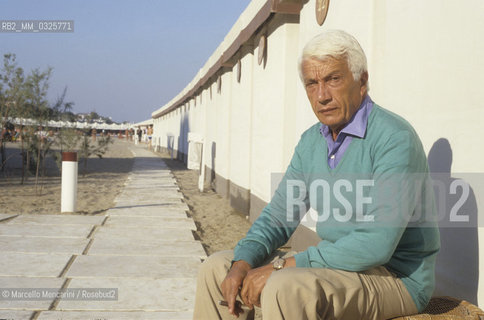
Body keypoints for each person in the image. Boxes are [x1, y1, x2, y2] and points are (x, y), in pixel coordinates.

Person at [193, 30, 440, 320]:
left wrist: (281, 266)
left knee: (285, 286)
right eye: (312, 83)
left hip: (396, 278)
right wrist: (243, 260)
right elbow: (279, 215)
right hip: (339, 267)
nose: (322, 95)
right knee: (217, 268)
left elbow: (377, 243)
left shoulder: (394, 138)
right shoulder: (312, 141)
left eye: (333, 79)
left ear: (362, 82)